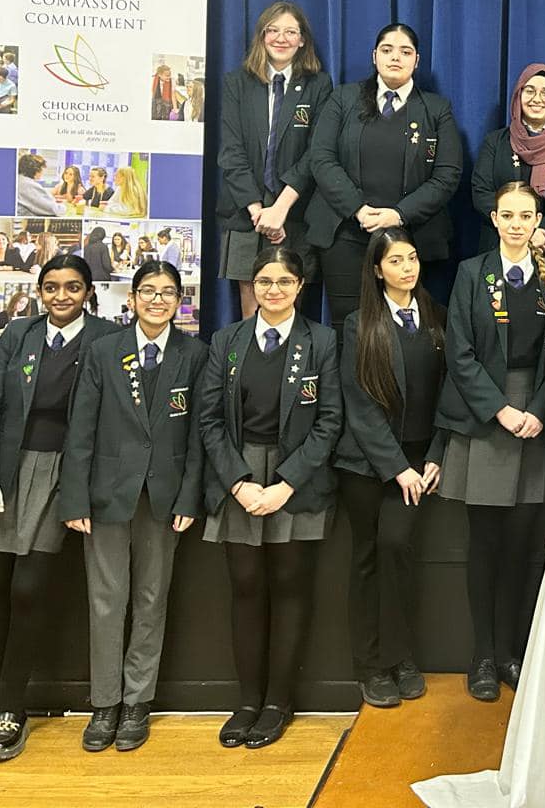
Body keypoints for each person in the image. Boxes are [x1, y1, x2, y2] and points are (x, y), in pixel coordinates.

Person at [0, 254, 120, 763]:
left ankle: (11, 707)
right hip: (3, 474)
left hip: (61, 477)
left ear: (89, 291)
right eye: (51, 287)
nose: (61, 296)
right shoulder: (17, 334)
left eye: (72, 287)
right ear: (40, 291)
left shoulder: (107, 339)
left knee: (27, 589)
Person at [195, 247, 341, 749]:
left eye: (283, 281)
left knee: (290, 585)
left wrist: (284, 483)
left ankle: (279, 702)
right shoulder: (227, 340)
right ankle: (247, 701)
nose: (273, 290)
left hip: (292, 478)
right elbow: (209, 419)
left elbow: (330, 422)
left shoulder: (321, 341)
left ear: (300, 286)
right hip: (239, 476)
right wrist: (238, 482)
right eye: (263, 281)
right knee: (245, 586)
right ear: (252, 286)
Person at [60, 259, 207, 753]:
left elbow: (200, 436)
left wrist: (191, 494)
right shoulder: (104, 351)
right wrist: (74, 496)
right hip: (106, 495)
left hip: (165, 498)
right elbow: (80, 431)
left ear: (179, 300)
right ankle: (105, 703)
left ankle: (138, 701)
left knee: (150, 598)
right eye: (148, 291)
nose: (157, 300)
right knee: (106, 600)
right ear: (132, 298)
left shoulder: (195, 353)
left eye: (168, 292)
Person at [436, 183, 545, 701]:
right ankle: (483, 655)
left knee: (522, 546)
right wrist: (502, 409)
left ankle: (514, 651)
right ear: (493, 218)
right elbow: (460, 353)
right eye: (507, 215)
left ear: (538, 221)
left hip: (537, 414)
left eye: (526, 215)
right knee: (485, 545)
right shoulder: (472, 274)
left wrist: (537, 410)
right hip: (488, 413)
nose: (516, 223)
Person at [335, 227, 445, 709]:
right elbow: (359, 406)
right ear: (378, 270)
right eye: (396, 261)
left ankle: (401, 657)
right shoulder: (359, 324)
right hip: (368, 464)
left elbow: (451, 394)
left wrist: (436, 453)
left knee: (397, 547)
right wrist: (397, 467)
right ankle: (370, 665)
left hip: (421, 458)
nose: (408, 268)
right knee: (367, 559)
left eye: (413, 258)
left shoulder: (436, 318)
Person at [306, 23, 464, 331]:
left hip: (411, 237)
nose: (396, 57)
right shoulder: (343, 98)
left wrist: (398, 215)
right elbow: (321, 158)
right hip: (346, 232)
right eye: (387, 50)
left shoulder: (436, 108)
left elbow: (448, 174)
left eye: (405, 52)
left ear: (416, 60)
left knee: (406, 330)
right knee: (349, 327)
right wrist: (358, 209)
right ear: (374, 56)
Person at [217, 1, 334, 317]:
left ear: (302, 40)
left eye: (290, 31)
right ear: (261, 36)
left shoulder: (318, 85)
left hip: (295, 213)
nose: (281, 38)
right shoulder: (237, 83)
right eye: (273, 30)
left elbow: (317, 153)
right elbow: (231, 151)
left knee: (287, 305)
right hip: (246, 212)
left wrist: (280, 209)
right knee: (251, 308)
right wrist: (260, 214)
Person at [470, 64, 545, 268]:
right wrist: (518, 228)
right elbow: (481, 192)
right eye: (530, 91)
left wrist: (542, 231)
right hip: (500, 248)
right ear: (518, 96)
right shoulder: (496, 142)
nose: (537, 99)